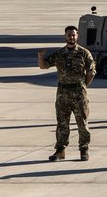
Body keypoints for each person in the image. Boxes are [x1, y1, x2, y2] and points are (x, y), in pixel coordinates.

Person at [38, 25, 96, 161]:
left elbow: (91, 72)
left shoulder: (84, 53)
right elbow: (43, 65)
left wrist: (83, 86)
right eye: (69, 35)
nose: (71, 37)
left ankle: (84, 150)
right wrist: (40, 57)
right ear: (65, 36)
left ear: (77, 36)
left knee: (82, 122)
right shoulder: (59, 54)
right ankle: (60, 151)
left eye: (73, 35)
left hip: (78, 93)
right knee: (62, 123)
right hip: (63, 92)